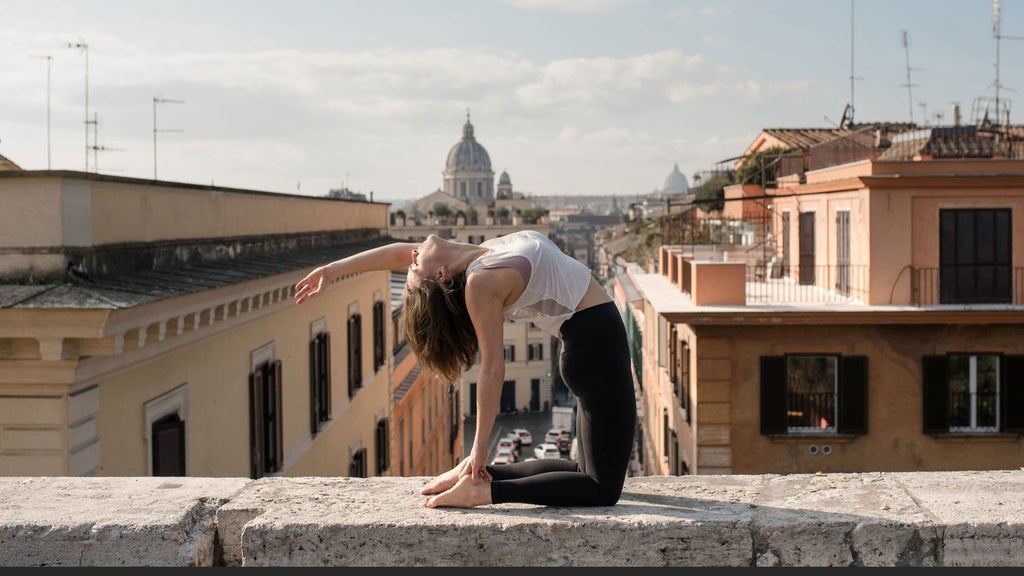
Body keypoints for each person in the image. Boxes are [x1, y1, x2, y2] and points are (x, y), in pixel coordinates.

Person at [294, 229, 636, 508]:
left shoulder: (481, 253)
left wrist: (333, 269)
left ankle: (474, 476)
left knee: (583, 471)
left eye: (412, 265)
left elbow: (398, 253)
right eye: (415, 269)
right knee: (601, 489)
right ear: (441, 275)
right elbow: (492, 367)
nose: (411, 259)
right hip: (597, 348)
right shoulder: (479, 282)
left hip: (590, 347)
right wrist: (479, 447)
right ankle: (483, 491)